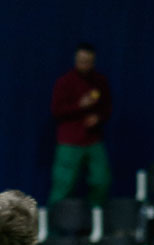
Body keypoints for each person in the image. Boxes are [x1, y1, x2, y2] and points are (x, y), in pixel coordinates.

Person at [49, 42, 112, 208]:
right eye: (81, 60)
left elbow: (107, 108)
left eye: (88, 61)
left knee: (101, 180)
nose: (84, 64)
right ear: (76, 59)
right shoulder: (65, 82)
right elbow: (57, 111)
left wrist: (98, 118)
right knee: (63, 184)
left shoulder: (100, 81)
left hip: (93, 139)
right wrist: (80, 105)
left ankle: (94, 223)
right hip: (69, 141)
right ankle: (54, 227)